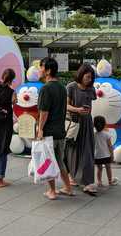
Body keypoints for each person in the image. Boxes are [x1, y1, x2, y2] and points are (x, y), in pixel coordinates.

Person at [38, 57, 72, 199]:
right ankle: (68, 187)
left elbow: (44, 112)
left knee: (48, 161)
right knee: (59, 160)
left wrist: (40, 129)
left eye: (41, 67)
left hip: (49, 131)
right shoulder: (62, 88)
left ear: (48, 71)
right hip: (60, 131)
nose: (39, 70)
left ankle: (52, 191)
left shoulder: (46, 89)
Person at [65, 64, 98, 196]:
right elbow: (65, 105)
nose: (89, 80)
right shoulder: (71, 87)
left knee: (88, 151)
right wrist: (77, 109)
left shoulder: (91, 89)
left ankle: (88, 181)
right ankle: (73, 177)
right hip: (74, 123)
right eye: (87, 77)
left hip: (87, 122)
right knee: (73, 151)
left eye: (91, 77)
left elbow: (91, 102)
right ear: (81, 74)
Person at [93, 116, 117, 188]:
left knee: (99, 169)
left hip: (97, 155)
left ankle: (99, 182)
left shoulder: (93, 134)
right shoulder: (107, 134)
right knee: (108, 168)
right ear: (104, 124)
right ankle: (110, 181)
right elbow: (110, 146)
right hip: (106, 155)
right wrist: (112, 155)